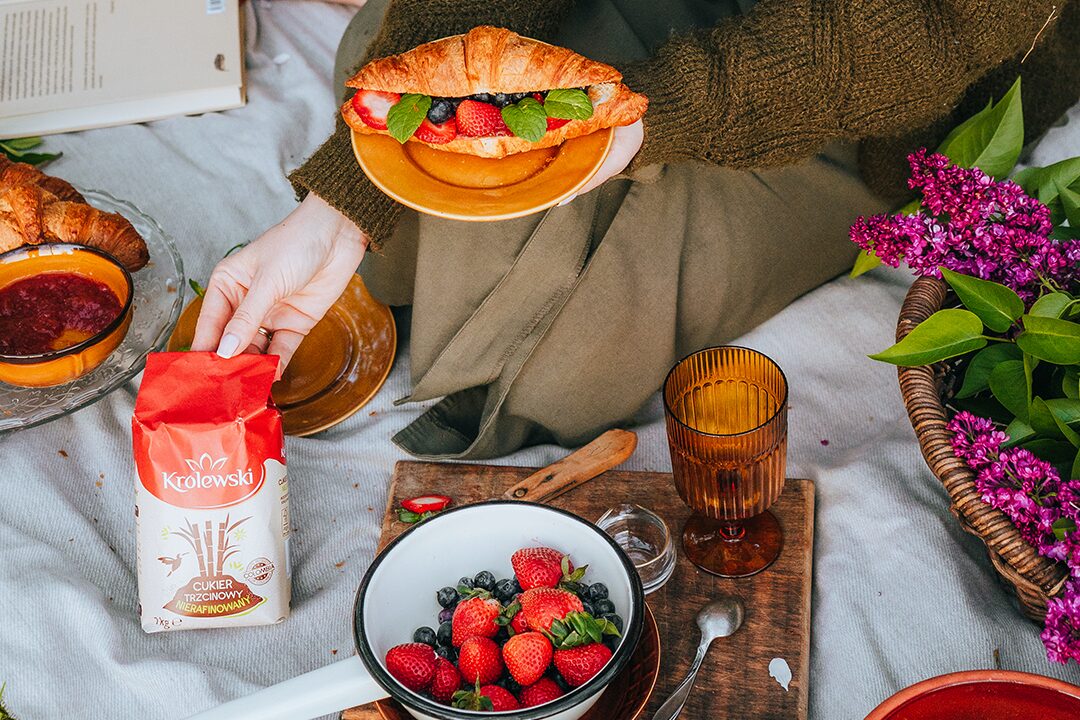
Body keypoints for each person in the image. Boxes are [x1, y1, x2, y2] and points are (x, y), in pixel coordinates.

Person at [193, 0, 1080, 459]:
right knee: (378, 73)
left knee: (571, 367)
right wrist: (345, 199)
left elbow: (908, 38)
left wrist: (623, 121)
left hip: (869, 93)